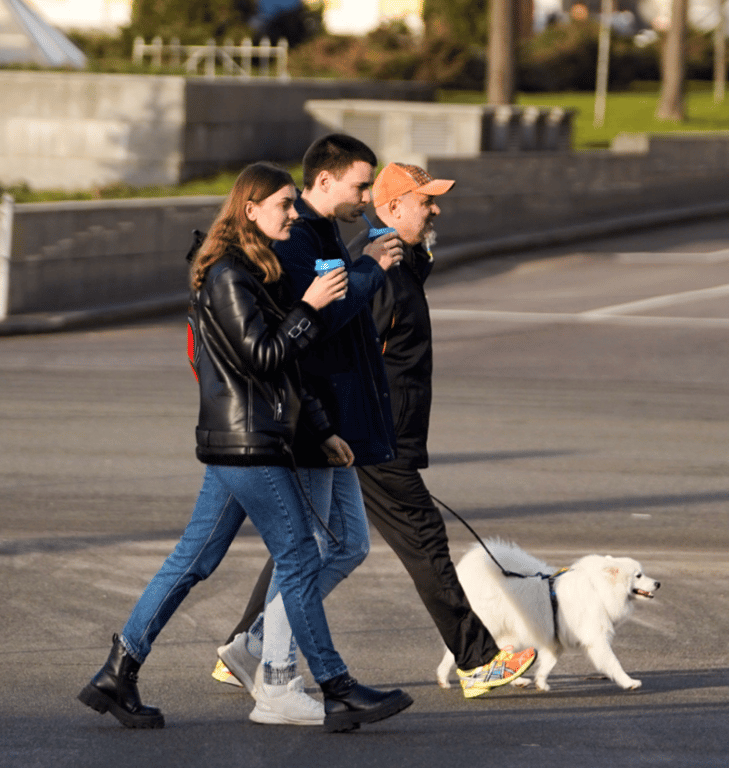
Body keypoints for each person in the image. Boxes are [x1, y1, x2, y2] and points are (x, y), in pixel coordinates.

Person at [78, 162, 411, 733]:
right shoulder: (229, 274)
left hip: (243, 439)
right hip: (246, 442)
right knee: (301, 558)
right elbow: (263, 357)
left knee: (194, 560)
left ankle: (119, 671)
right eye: (283, 204)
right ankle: (334, 687)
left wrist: (322, 428)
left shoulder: (255, 269)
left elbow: (285, 369)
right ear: (250, 210)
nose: (291, 212)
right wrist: (308, 307)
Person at [215, 159, 536, 701]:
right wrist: (349, 428)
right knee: (422, 539)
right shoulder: (376, 271)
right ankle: (477, 661)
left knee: (310, 541)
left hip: (375, 434)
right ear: (390, 208)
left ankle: (243, 646)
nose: (435, 209)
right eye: (425, 201)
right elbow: (344, 346)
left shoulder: (400, 262)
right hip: (372, 436)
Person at [212, 135, 403, 726]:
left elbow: (337, 324)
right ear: (324, 182)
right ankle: (275, 673)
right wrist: (368, 271)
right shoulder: (297, 241)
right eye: (360, 186)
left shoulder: (320, 237)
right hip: (310, 422)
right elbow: (309, 331)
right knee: (309, 550)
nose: (366, 197)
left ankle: (257, 645)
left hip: (332, 422)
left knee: (346, 545)